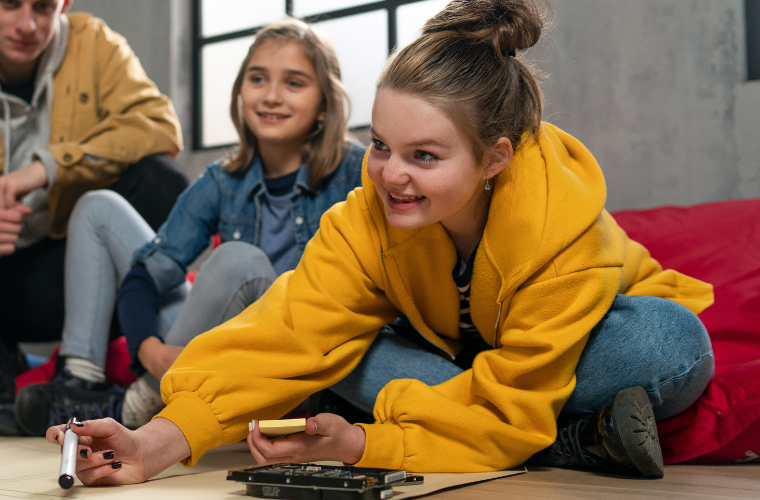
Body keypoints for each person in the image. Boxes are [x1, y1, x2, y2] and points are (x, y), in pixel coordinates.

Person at [45, 0, 716, 483]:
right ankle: (574, 439)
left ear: (495, 158)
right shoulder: (367, 212)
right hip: (459, 366)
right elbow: (286, 331)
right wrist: (157, 440)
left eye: (425, 156)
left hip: (564, 352)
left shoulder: (556, 227)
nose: (392, 175)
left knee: (667, 343)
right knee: (337, 351)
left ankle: (557, 438)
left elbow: (512, 411)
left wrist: (367, 442)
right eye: (384, 146)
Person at [14, 19, 367, 437]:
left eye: (294, 83)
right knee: (98, 208)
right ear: (241, 90)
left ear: (325, 103)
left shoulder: (355, 172)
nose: (271, 96)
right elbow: (146, 275)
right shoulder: (224, 179)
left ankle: (135, 403)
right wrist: (149, 349)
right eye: (258, 79)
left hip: (297, 355)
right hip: (215, 346)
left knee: (239, 261)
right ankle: (81, 381)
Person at [0, 0, 188, 436]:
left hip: (78, 267)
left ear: (65, 4)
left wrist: (50, 166)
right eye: (11, 4)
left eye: (44, 7)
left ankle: (93, 365)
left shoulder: (96, 43)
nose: (26, 24)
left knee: (162, 181)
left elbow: (160, 127)